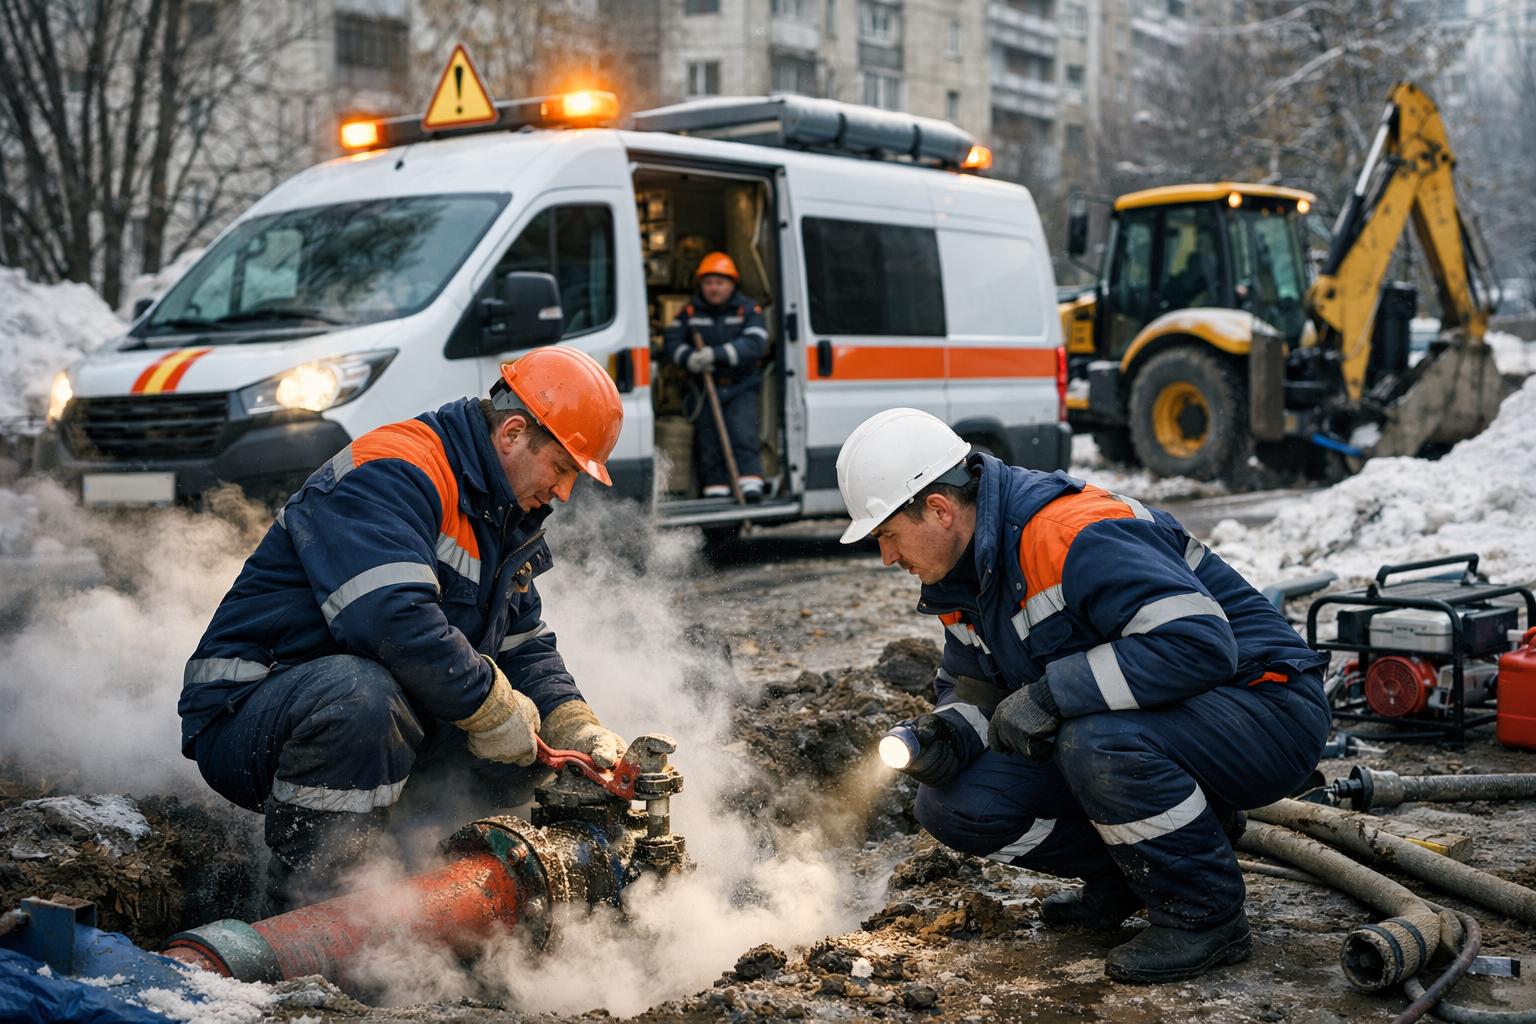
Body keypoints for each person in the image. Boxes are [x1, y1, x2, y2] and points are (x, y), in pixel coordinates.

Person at [837, 408, 1329, 983]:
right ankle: (1133, 878)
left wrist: (1051, 694)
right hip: (1157, 726)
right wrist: (948, 730)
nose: (888, 557)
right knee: (951, 802)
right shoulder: (959, 579)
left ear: (940, 510)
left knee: (1094, 739)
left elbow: (1199, 644)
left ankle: (1204, 915)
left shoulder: (1068, 532)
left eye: (889, 535)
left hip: (1267, 710)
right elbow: (976, 687)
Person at [179, 348, 630, 913]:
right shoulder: (396, 470)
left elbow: (524, 644)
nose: (563, 492)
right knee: (366, 696)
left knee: (527, 750)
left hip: (359, 707)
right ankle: (312, 915)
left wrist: (574, 725)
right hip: (249, 711)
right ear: (513, 433)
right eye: (562, 469)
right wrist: (491, 708)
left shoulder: (500, 513)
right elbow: (391, 621)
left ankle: (432, 888)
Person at [664, 251, 769, 502]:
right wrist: (688, 357)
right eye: (709, 282)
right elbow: (671, 342)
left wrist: (716, 354)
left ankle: (750, 485)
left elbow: (756, 343)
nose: (714, 288)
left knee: (742, 434)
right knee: (708, 441)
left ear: (731, 284)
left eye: (719, 282)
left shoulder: (747, 309)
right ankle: (716, 490)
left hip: (740, 385)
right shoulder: (690, 312)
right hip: (703, 388)